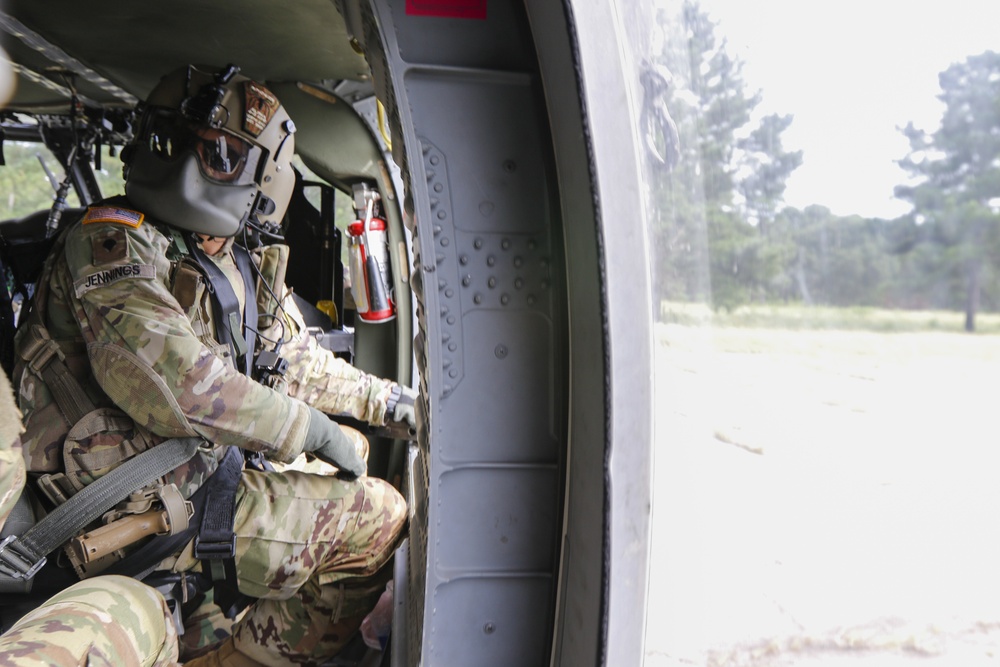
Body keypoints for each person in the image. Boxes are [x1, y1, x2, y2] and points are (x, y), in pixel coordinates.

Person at [9, 63, 413, 666]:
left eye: (220, 154)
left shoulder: (230, 256)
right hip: (119, 502)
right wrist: (311, 430)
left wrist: (389, 403)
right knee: (379, 518)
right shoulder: (112, 244)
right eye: (189, 147)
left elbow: (293, 360)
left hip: (189, 476)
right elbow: (179, 384)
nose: (194, 165)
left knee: (346, 447)